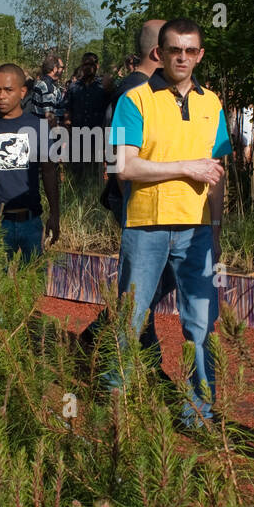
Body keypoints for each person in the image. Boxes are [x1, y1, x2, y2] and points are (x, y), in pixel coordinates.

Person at [111, 18, 231, 426]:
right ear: (159, 53)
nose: (183, 57)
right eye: (174, 49)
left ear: (200, 55)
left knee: (201, 323)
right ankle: (117, 403)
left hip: (197, 230)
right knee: (130, 317)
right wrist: (185, 167)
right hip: (145, 226)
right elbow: (124, 167)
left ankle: (198, 413)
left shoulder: (211, 103)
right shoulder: (136, 100)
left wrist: (216, 228)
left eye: (191, 50)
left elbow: (215, 171)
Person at [81, 21, 174, 355]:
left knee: (152, 282)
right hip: (139, 202)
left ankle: (104, 334)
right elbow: (122, 160)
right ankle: (137, 357)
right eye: (174, 48)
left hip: (151, 202)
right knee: (144, 284)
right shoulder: (135, 92)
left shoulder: (144, 88)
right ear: (157, 52)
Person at [0, 63, 60, 261]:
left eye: (8, 90)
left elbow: (49, 172)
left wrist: (55, 213)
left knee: (32, 284)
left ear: (22, 92)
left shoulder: (37, 125)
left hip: (31, 220)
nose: (1, 95)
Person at [29, 53, 66, 125]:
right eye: (62, 67)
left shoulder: (42, 83)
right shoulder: (48, 87)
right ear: (55, 69)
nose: (63, 71)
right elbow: (50, 118)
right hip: (47, 132)